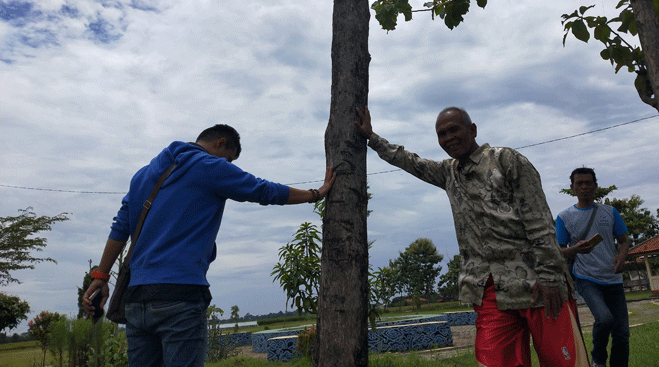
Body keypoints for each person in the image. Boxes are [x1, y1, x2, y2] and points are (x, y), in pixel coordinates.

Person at [82, 124, 336, 367]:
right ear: (220, 143)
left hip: (136, 300)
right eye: (229, 159)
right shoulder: (210, 167)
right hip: (179, 296)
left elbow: (120, 228)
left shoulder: (143, 176)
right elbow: (263, 190)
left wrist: (101, 276)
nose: (227, 166)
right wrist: (316, 193)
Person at [354, 105, 588, 367]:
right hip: (489, 290)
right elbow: (411, 162)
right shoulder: (449, 173)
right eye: (441, 134)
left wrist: (548, 275)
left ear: (472, 129)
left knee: (564, 362)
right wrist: (372, 138)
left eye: (454, 129)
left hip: (539, 284)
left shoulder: (506, 160)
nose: (448, 138)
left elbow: (539, 220)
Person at [556, 167, 630, 367]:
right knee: (605, 320)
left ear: (596, 186)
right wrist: (576, 249)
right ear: (572, 188)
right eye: (579, 183)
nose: (584, 187)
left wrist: (622, 257)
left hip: (613, 277)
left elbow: (624, 241)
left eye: (588, 183)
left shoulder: (610, 212)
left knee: (622, 333)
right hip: (586, 278)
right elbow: (558, 251)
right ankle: (598, 359)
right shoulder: (564, 217)